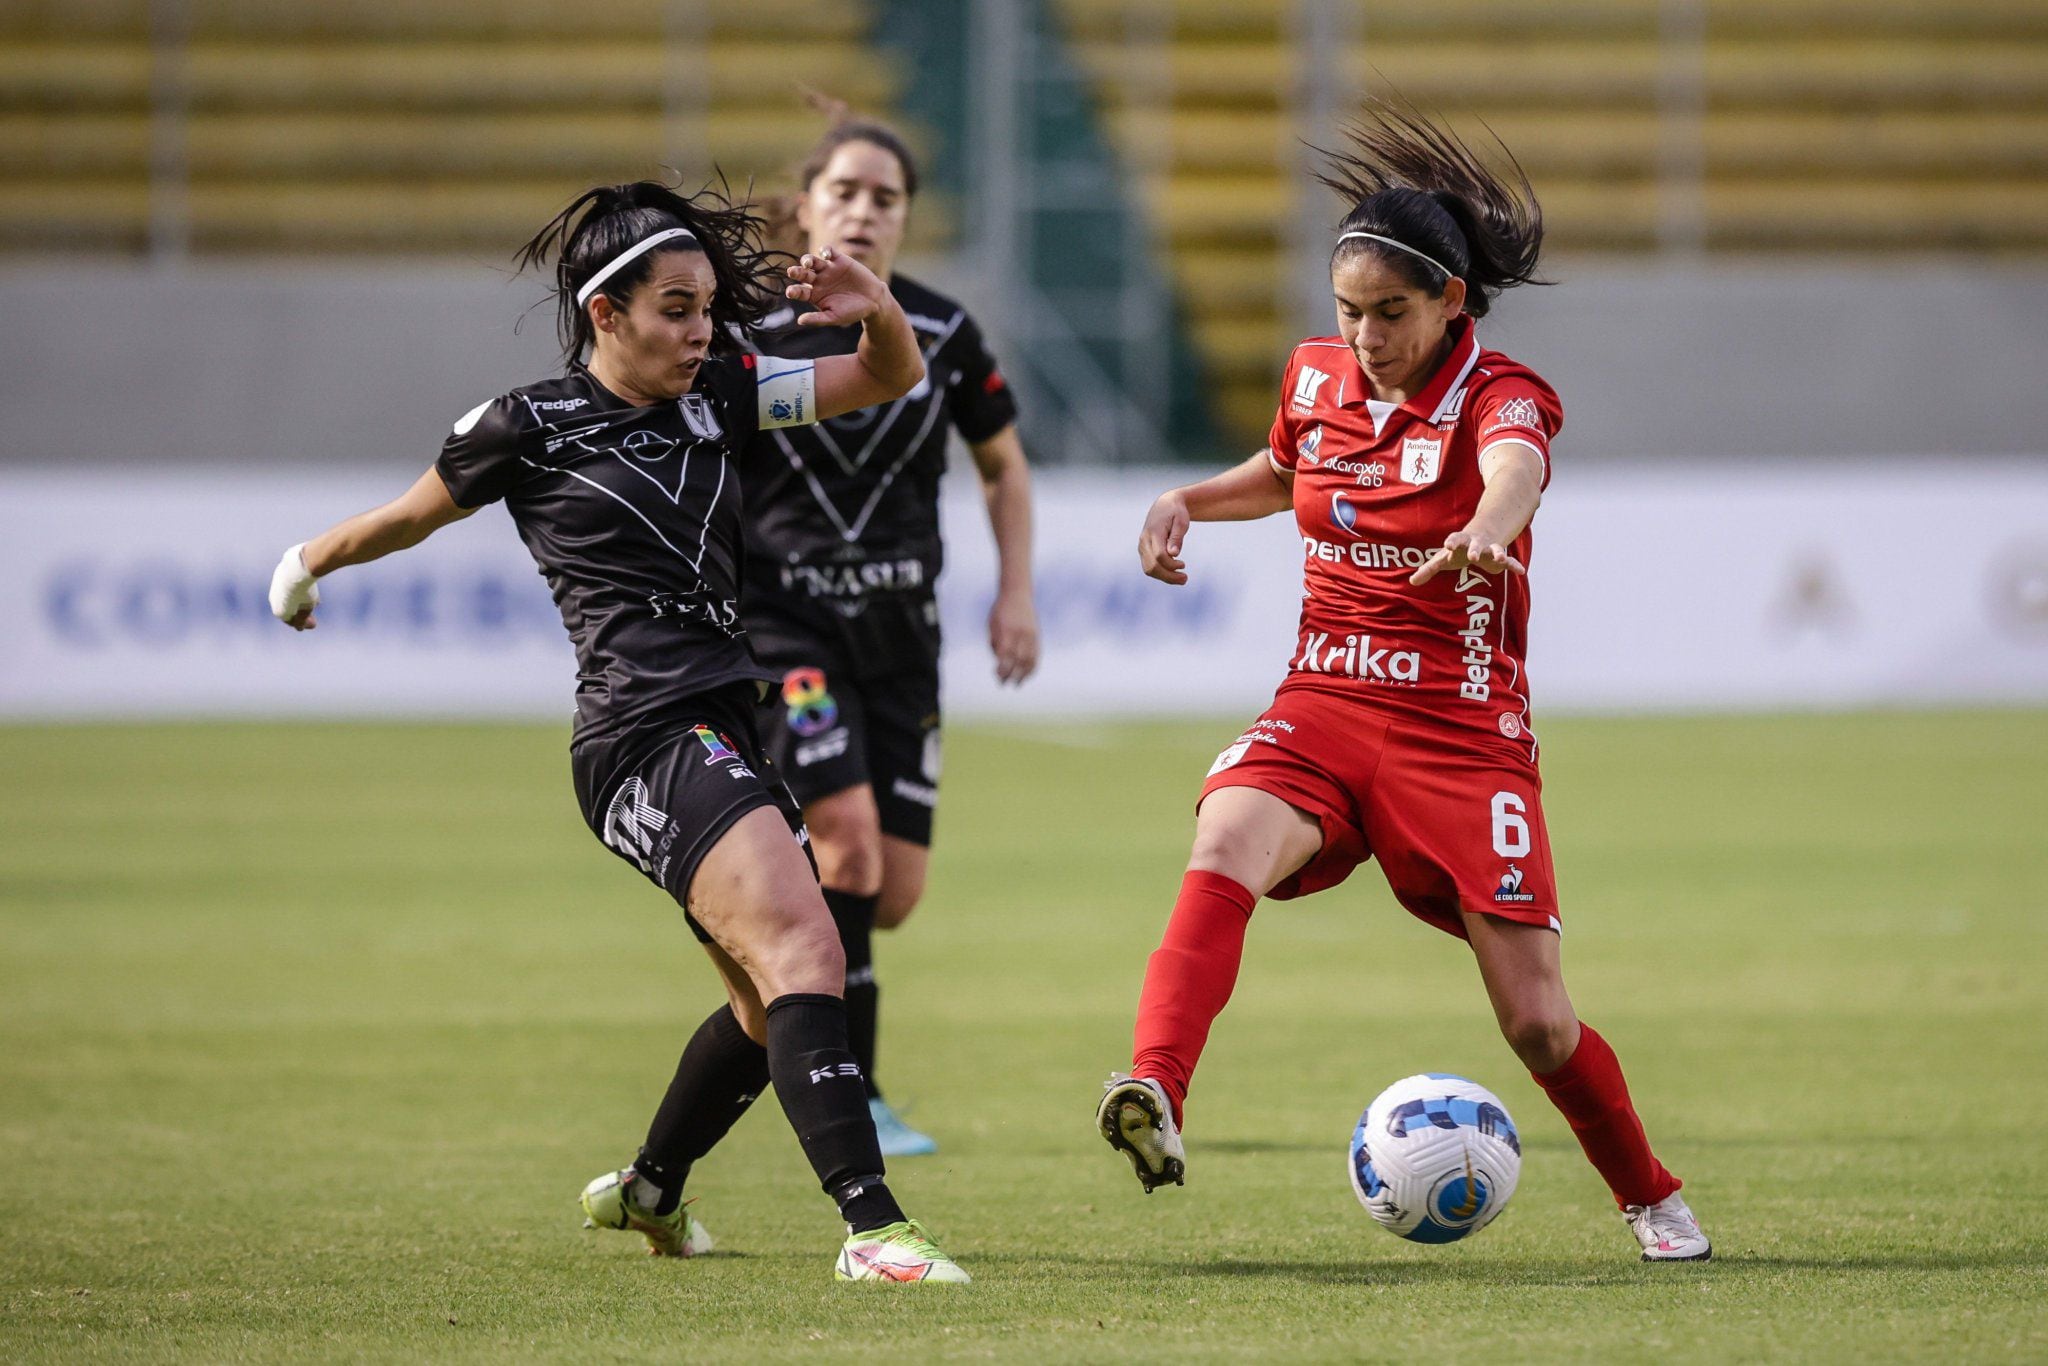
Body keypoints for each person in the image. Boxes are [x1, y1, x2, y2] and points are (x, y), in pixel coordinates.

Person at [265, 179, 970, 1283]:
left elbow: (888, 373)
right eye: (677, 309)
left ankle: (649, 1186)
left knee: (758, 1000)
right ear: (606, 313)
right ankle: (872, 1227)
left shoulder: (725, 394)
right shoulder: (528, 425)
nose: (702, 332)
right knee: (808, 946)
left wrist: (873, 302)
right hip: (638, 739)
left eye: (706, 310)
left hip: (726, 727)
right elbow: (406, 516)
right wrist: (307, 566)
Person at [1094, 105, 1711, 1263]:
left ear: (1448, 305)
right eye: (1348, 311)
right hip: (1320, 699)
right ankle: (1155, 1086)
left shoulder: (1500, 396)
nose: (1366, 336)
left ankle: (1648, 1194)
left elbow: (1516, 469)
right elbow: (1283, 472)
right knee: (1223, 838)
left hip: (1458, 732)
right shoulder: (1315, 379)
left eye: (1390, 313)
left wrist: (1488, 523)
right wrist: (1186, 499)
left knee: (1533, 1020)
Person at [741, 104, 1039, 1156]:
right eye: (845, 192)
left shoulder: (944, 331)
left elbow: (1002, 467)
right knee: (851, 851)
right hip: (790, 638)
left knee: (891, 891)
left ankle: (767, 987)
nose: (864, 212)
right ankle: (848, 1089)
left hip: (902, 642)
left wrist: (1014, 594)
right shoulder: (752, 339)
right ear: (807, 204)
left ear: (906, 216)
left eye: (886, 197)